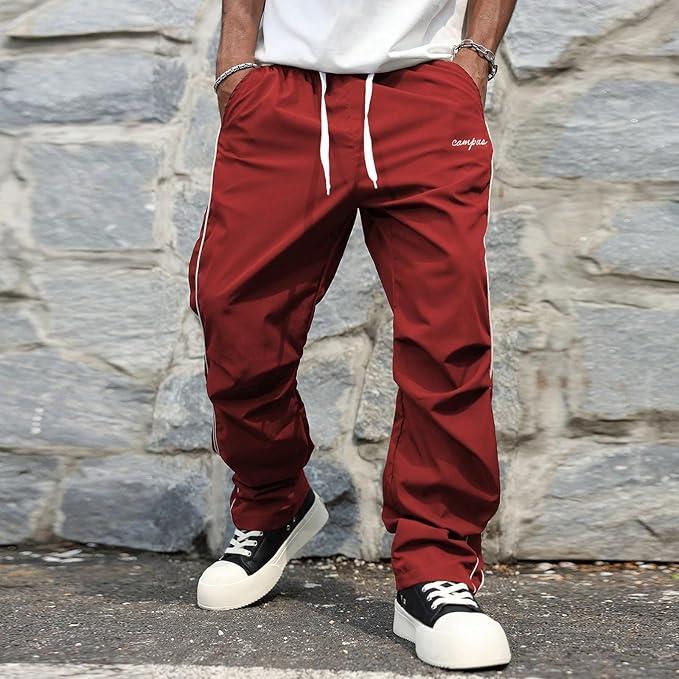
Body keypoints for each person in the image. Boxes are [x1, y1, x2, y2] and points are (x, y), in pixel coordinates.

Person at [188, 0, 517, 670]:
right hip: (281, 96)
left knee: (448, 336)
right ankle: (272, 500)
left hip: (423, 93)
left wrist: (473, 61)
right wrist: (234, 64)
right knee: (235, 316)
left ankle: (435, 564)